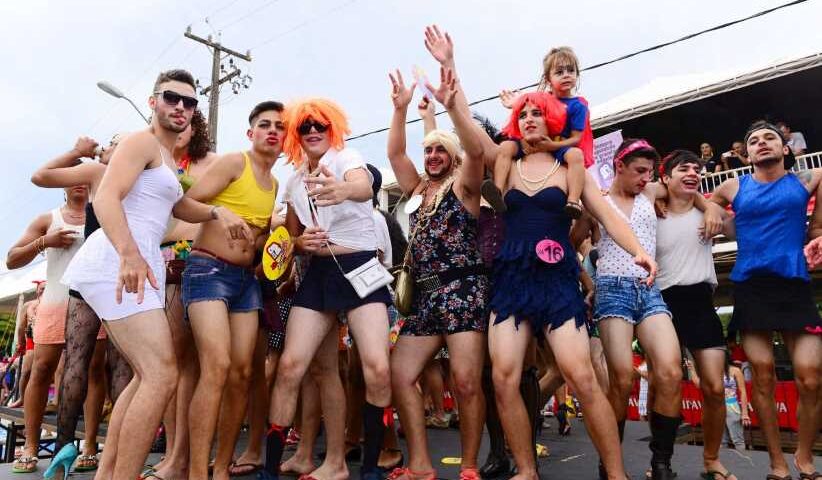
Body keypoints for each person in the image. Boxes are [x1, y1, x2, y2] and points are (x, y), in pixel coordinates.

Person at [60, 69, 248, 480]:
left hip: (141, 264)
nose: (181, 107)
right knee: (162, 374)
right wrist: (128, 254)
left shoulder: (165, 155)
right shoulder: (140, 142)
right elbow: (106, 199)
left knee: (147, 375)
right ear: (153, 102)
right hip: (116, 261)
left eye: (189, 102)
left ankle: (109, 474)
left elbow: (177, 206)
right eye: (171, 98)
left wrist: (217, 212)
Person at [263, 98, 393, 480]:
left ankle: (370, 468)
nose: (313, 131)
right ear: (296, 134)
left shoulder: (346, 158)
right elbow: (290, 238)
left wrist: (342, 189)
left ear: (331, 128)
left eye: (319, 124)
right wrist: (299, 244)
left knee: (377, 368)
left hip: (361, 268)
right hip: (318, 274)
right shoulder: (293, 181)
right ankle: (271, 470)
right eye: (304, 127)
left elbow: (363, 186)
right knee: (291, 367)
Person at [385, 27, 489, 480]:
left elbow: (476, 149)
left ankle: (469, 466)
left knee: (465, 382)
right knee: (399, 374)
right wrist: (400, 110)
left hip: (463, 290)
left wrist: (450, 98)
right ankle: (421, 465)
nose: (430, 155)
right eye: (427, 149)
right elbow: (395, 153)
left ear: (451, 156)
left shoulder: (465, 186)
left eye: (438, 150)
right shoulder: (416, 190)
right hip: (424, 297)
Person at [183, 101, 284, 480]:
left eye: (279, 126)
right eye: (265, 124)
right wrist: (217, 212)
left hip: (246, 281)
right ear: (251, 133)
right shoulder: (233, 163)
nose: (272, 131)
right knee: (217, 367)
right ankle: (197, 472)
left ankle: (222, 468)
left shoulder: (275, 185)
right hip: (208, 270)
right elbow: (183, 204)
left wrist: (276, 241)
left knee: (243, 373)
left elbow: (257, 240)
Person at [714, 120, 821, 480]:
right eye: (754, 141)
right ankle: (777, 463)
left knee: (811, 378)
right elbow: (705, 205)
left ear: (785, 148)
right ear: (746, 154)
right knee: (762, 376)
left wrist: (819, 237)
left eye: (770, 138)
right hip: (751, 287)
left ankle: (804, 456)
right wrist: (718, 218)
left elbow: (817, 228)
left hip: (794, 284)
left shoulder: (809, 179)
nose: (762, 143)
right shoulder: (732, 186)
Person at [29, 133, 134, 475]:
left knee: (86, 361)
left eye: (117, 142)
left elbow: (41, 175)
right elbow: (40, 177)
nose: (111, 146)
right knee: (117, 365)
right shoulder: (130, 176)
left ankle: (65, 450)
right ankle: (114, 455)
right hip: (120, 269)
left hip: (97, 270)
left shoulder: (100, 172)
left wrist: (78, 151)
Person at [655, 149, 739, 480]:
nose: (692, 173)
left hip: (701, 302)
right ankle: (660, 461)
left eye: (697, 169)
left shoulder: (709, 213)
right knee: (666, 384)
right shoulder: (653, 212)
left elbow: (737, 232)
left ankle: (712, 460)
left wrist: (715, 208)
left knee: (715, 388)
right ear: (665, 177)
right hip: (662, 305)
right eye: (683, 169)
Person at [149, 108, 218, 480]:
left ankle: (185, 455)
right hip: (159, 262)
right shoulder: (154, 162)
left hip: (199, 260)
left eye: (188, 121)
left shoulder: (214, 164)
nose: (180, 126)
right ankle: (173, 453)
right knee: (166, 362)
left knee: (192, 363)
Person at [5, 181, 88, 474]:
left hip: (91, 302)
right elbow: (12, 259)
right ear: (62, 187)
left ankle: (90, 446)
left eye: (85, 178)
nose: (79, 183)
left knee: (93, 372)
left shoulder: (103, 213)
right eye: (72, 179)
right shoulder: (48, 218)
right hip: (55, 299)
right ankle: (30, 445)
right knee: (41, 369)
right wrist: (45, 242)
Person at [496, 46, 593, 218]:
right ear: (548, 79)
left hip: (560, 145)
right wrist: (516, 104)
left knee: (575, 155)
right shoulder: (544, 98)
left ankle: (573, 201)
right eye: (559, 72)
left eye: (571, 70)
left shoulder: (578, 106)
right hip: (537, 143)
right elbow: (528, 109)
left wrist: (552, 145)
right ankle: (497, 190)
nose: (566, 75)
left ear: (577, 75)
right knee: (505, 147)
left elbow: (576, 139)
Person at [686, 354, 750, 452]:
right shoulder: (711, 371)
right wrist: (691, 369)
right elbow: (699, 384)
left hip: (732, 406)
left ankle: (743, 460)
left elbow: (743, 392)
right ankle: (725, 460)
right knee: (721, 441)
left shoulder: (735, 371)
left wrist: (745, 413)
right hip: (716, 408)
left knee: (738, 441)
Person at [9, 282, 45, 409]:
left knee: (45, 372)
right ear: (37, 290)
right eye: (42, 288)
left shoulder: (51, 304)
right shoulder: (28, 305)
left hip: (48, 339)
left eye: (46, 288)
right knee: (26, 371)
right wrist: (20, 343)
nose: (44, 291)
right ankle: (22, 398)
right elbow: (21, 326)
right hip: (32, 340)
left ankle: (46, 401)